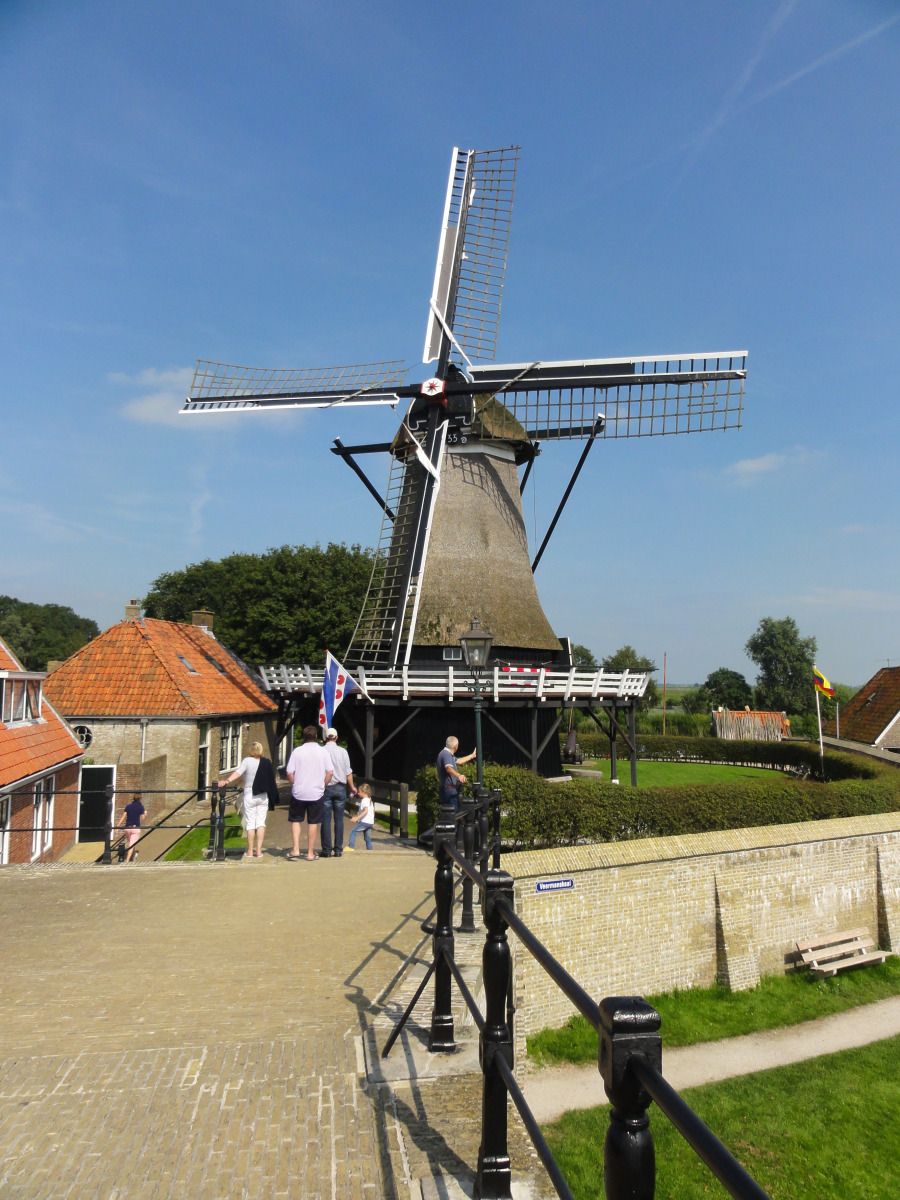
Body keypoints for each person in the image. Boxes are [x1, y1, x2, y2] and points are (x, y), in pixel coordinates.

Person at [218, 741, 279, 859]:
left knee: (250, 823)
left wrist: (226, 781)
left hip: (250, 794)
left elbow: (238, 773)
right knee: (261, 823)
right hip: (263, 796)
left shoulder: (247, 761)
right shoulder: (266, 762)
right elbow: (270, 779)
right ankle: (259, 851)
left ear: (250, 750)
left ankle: (250, 851)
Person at [285, 725, 332, 860]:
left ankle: (295, 849)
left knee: (296, 820)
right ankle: (310, 853)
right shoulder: (323, 752)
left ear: (304, 737)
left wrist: (294, 783)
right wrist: (323, 784)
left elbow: (289, 772)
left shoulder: (297, 751)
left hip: (299, 792)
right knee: (313, 822)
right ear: (316, 736)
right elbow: (330, 772)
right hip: (316, 792)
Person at [321, 727, 356, 858]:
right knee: (339, 820)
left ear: (326, 738)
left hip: (326, 787)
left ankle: (326, 850)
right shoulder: (343, 752)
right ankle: (338, 849)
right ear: (336, 737)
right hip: (340, 787)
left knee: (325, 820)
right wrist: (352, 787)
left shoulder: (321, 751)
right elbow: (348, 772)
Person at [436, 736, 476, 811]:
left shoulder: (447, 754)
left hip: (447, 790)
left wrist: (472, 756)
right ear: (455, 746)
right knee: (454, 814)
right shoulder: (446, 754)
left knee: (450, 814)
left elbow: (459, 761)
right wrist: (459, 776)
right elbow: (448, 768)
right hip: (449, 791)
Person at [345, 783, 374, 851]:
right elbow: (369, 811)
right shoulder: (369, 800)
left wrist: (357, 818)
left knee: (353, 831)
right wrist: (358, 816)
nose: (358, 793)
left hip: (365, 822)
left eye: (359, 792)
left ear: (364, 792)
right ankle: (370, 850)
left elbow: (365, 811)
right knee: (367, 838)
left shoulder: (364, 800)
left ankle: (351, 847)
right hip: (370, 822)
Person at [118, 793, 145, 862]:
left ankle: (133, 856)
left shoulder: (128, 806)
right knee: (132, 845)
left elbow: (123, 816)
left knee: (131, 843)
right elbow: (142, 819)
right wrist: (145, 814)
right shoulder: (141, 807)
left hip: (127, 828)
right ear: (140, 799)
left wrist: (118, 825)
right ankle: (127, 860)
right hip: (135, 828)